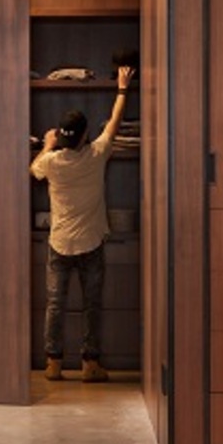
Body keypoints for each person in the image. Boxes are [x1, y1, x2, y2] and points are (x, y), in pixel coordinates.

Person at [30, 64, 135, 382]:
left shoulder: (51, 161)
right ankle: (90, 364)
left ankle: (53, 363)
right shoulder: (97, 153)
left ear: (61, 136)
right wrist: (122, 88)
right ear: (86, 136)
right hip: (91, 242)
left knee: (55, 304)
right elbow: (114, 124)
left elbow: (33, 170)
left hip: (59, 244)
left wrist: (47, 144)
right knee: (92, 305)